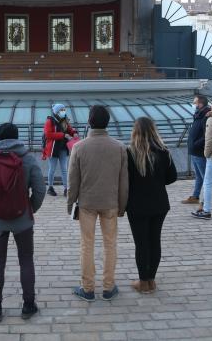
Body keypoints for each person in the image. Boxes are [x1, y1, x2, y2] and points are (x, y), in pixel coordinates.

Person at [0, 123, 46, 321]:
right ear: (17, 137)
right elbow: (40, 190)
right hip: (22, 219)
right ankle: (28, 305)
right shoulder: (28, 159)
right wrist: (30, 208)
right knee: (26, 260)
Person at [68, 105, 128, 302]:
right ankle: (109, 287)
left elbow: (73, 180)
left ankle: (88, 288)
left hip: (87, 203)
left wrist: (70, 205)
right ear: (108, 122)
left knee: (87, 245)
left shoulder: (79, 147)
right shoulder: (119, 147)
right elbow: (123, 180)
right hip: (111, 202)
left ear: (89, 122)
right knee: (110, 244)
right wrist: (122, 205)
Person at [126, 117, 177, 294]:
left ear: (135, 131)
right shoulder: (163, 151)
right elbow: (172, 178)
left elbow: (125, 180)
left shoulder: (130, 153)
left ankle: (143, 282)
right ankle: (151, 280)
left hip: (136, 205)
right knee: (155, 241)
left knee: (141, 244)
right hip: (159, 203)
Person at [42, 103, 78, 197]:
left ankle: (66, 189)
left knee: (64, 169)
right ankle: (50, 187)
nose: (63, 111)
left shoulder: (64, 119)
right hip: (53, 148)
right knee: (52, 169)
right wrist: (63, 135)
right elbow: (48, 134)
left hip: (63, 147)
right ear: (56, 111)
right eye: (61, 110)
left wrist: (74, 133)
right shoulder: (50, 121)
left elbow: (69, 129)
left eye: (64, 109)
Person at [182, 95, 210, 204]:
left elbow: (207, 135)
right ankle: (195, 196)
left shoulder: (205, 116)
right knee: (199, 176)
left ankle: (205, 201)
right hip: (195, 151)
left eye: (195, 103)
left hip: (199, 151)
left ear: (200, 104)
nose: (193, 105)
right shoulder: (198, 115)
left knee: (205, 177)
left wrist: (195, 144)